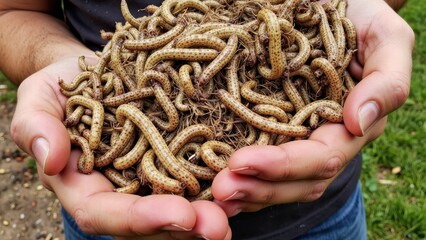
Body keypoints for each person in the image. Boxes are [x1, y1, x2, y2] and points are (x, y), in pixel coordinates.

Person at [0, 0, 413, 239]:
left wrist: (361, 7)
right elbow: (13, 10)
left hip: (320, 212)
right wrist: (55, 59)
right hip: (119, 216)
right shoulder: (137, 86)